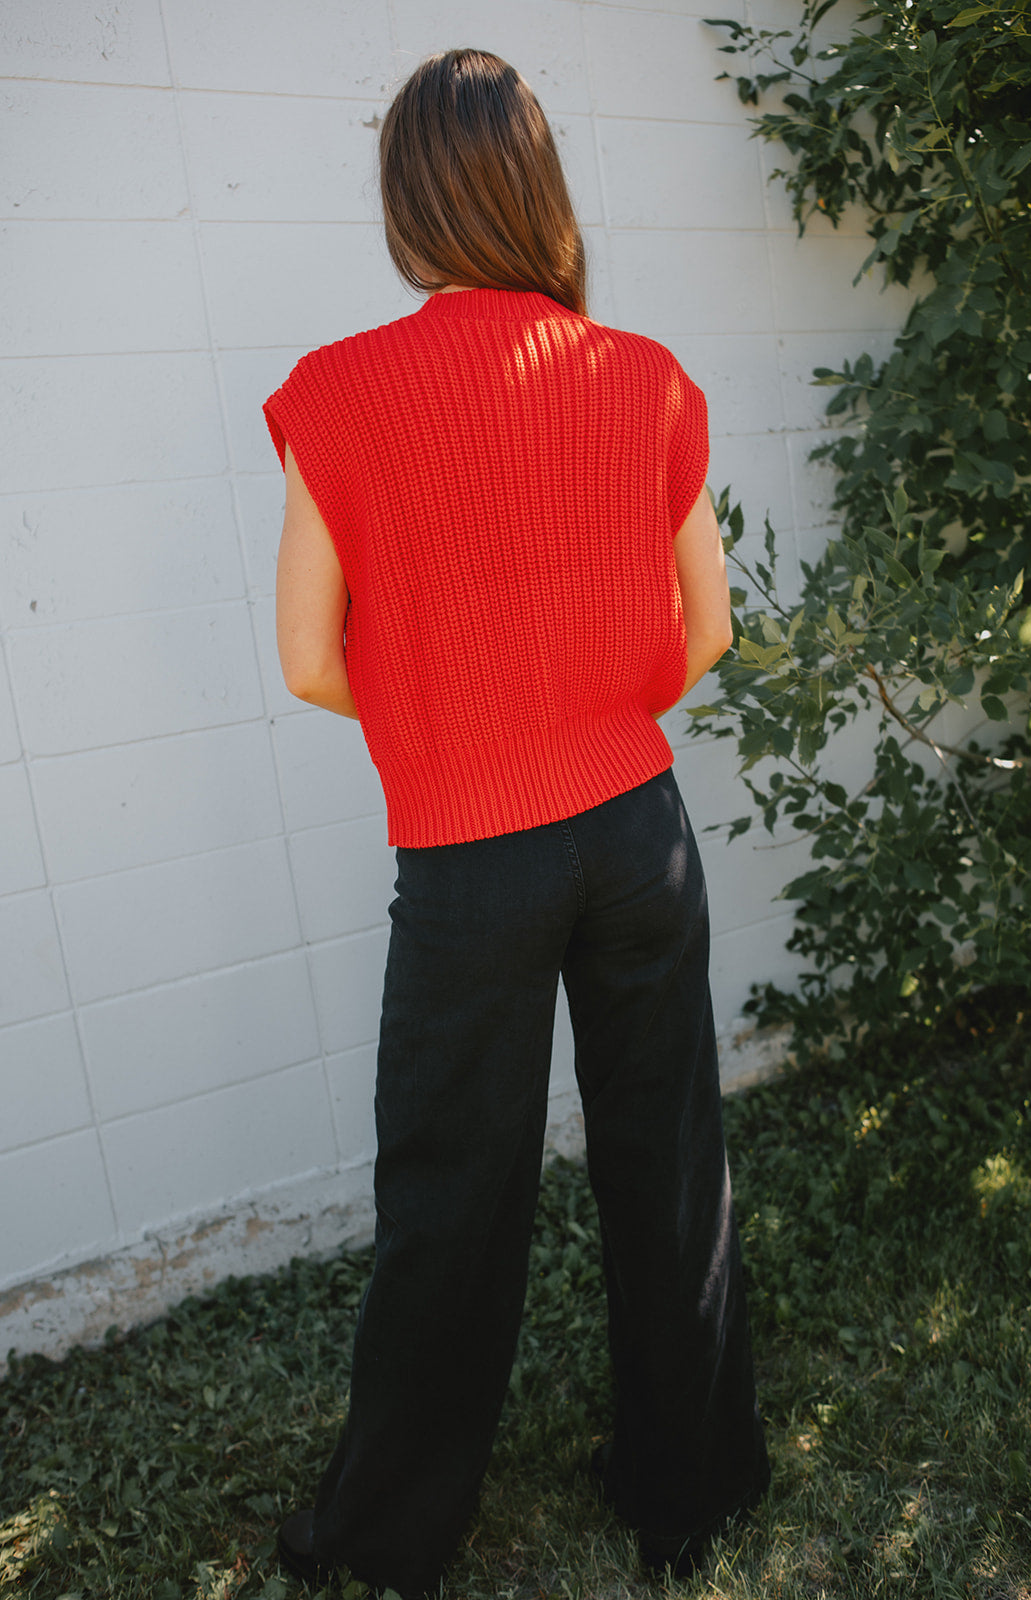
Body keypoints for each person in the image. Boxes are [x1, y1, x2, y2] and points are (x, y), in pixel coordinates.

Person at [263, 47, 769, 1598]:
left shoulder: (339, 391)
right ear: (539, 190)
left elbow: (306, 661)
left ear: (409, 203)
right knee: (666, 1160)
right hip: (637, 837)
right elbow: (708, 631)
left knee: (451, 1197)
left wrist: (449, 723)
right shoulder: (645, 377)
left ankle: (384, 1542)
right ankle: (688, 1492)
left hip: (470, 858)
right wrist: (587, 712)